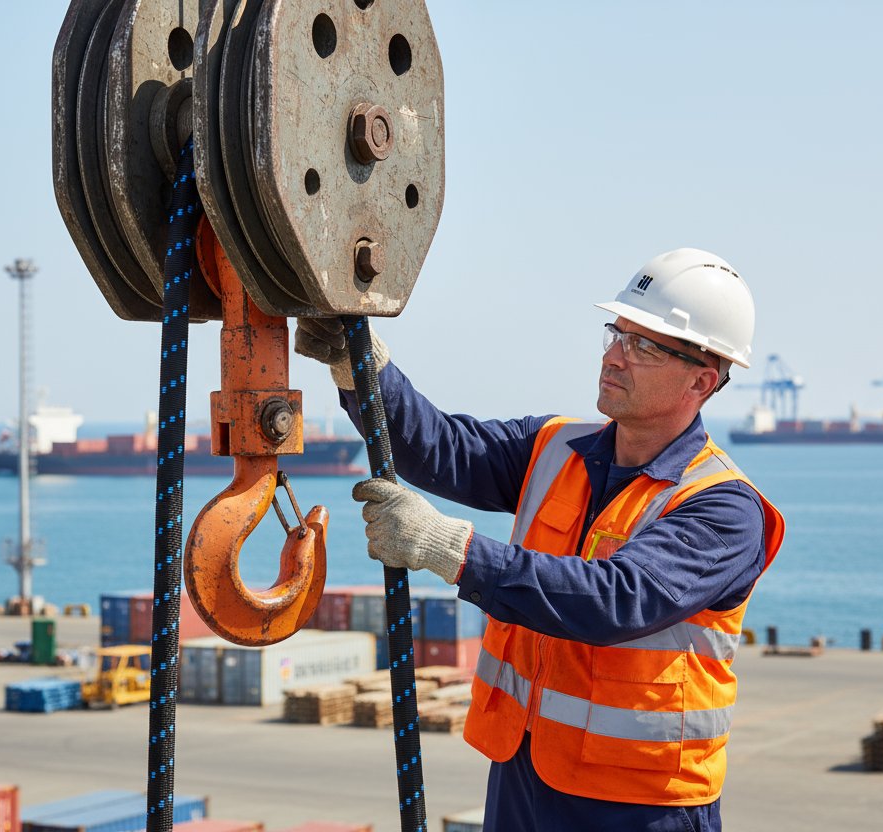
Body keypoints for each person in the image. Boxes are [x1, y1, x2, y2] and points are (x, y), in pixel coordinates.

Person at [296, 248, 785, 832]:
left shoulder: (723, 508)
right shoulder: (556, 447)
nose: (613, 357)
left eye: (645, 346)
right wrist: (364, 371)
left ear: (702, 381)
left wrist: (450, 548)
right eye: (617, 333)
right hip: (525, 774)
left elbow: (615, 599)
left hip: (640, 804)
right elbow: (443, 448)